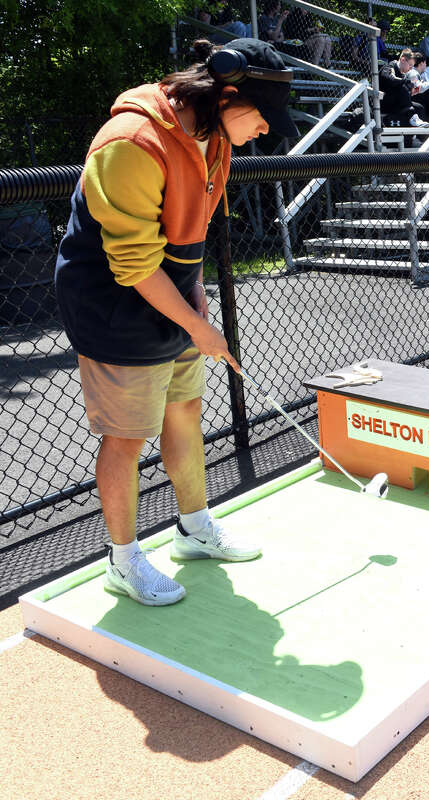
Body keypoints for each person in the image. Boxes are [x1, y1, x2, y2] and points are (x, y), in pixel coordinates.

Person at [53, 38, 297, 605]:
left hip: (171, 295)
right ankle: (123, 560)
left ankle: (193, 528)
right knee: (127, 437)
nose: (266, 130)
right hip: (112, 302)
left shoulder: (213, 136)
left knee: (185, 411)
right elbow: (133, 262)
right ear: (227, 94)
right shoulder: (131, 143)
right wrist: (195, 324)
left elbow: (191, 230)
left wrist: (197, 300)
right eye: (262, 117)